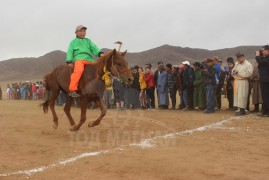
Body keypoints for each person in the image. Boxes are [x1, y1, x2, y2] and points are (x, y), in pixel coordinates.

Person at [66, 25, 104, 97]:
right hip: (79, 59)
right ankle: (72, 89)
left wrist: (100, 53)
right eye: (81, 31)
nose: (83, 33)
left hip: (89, 59)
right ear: (76, 32)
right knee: (79, 70)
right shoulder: (73, 42)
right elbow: (70, 51)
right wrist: (69, 61)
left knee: (97, 71)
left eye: (84, 31)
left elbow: (94, 48)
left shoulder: (88, 41)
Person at [255, 45, 269, 117]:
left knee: (267, 96)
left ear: (267, 50)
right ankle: (265, 111)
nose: (262, 52)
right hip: (264, 79)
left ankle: (267, 112)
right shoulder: (265, 58)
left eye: (263, 50)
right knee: (264, 96)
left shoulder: (267, 58)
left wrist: (257, 56)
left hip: (267, 80)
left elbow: (261, 62)